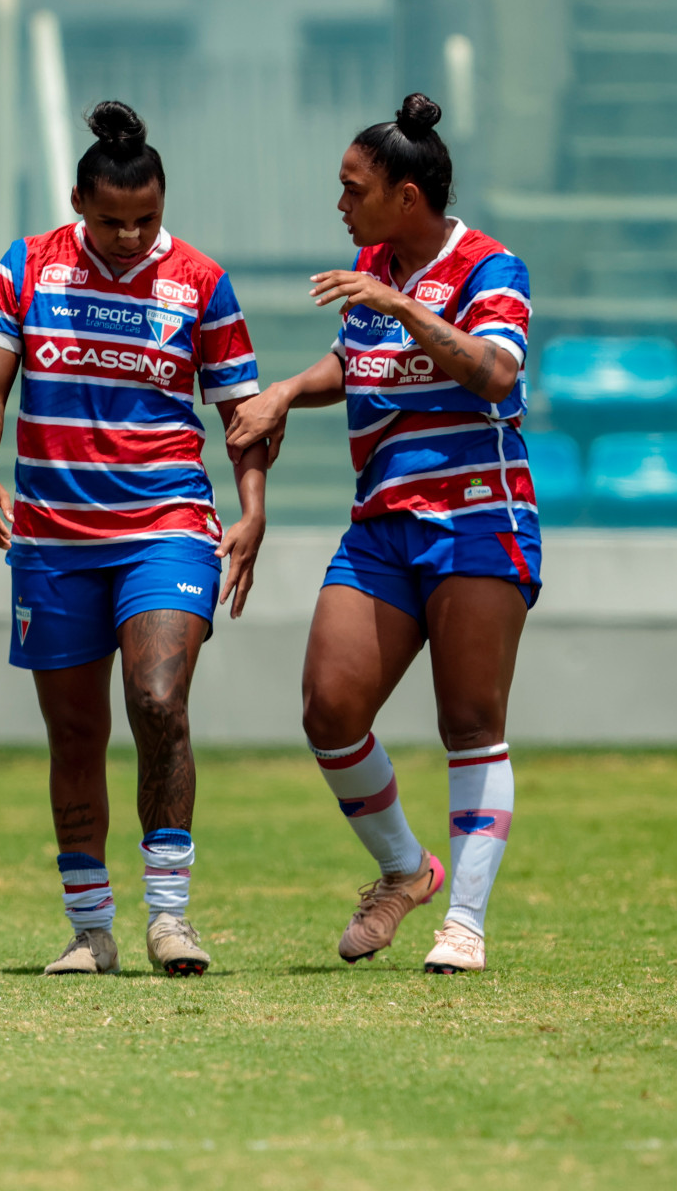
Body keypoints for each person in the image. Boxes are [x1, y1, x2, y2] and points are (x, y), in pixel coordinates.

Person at [226, 93, 534, 976]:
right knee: (329, 708)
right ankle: (405, 870)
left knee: (470, 720)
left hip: (477, 516)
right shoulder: (374, 267)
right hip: (383, 524)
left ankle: (464, 925)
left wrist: (400, 306)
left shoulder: (489, 266)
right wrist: (287, 391)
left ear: (407, 196)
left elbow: (493, 372)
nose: (340, 204)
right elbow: (356, 362)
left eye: (353, 188)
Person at [0, 102, 269, 979]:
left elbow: (243, 413)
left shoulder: (201, 282)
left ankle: (170, 918)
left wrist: (252, 508)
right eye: (111, 222)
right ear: (77, 204)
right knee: (75, 733)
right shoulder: (26, 268)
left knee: (159, 701)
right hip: (53, 537)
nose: (131, 237)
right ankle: (90, 931)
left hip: (165, 524)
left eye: (147, 220)